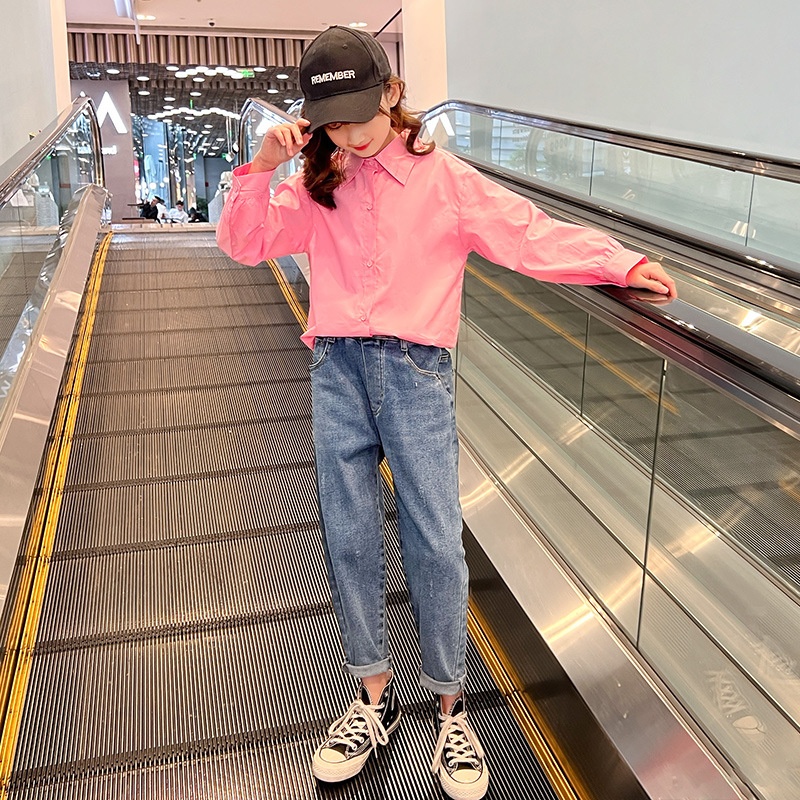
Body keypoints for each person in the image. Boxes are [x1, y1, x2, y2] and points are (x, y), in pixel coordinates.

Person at [216, 26, 676, 800]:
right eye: (331, 122)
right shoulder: (316, 181)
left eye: (359, 114)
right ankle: (372, 696)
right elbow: (244, 243)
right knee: (347, 534)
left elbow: (527, 234)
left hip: (415, 372)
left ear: (393, 94)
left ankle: (451, 708)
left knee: (434, 540)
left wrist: (619, 262)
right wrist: (259, 171)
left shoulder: (444, 181)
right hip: (335, 368)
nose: (348, 134)